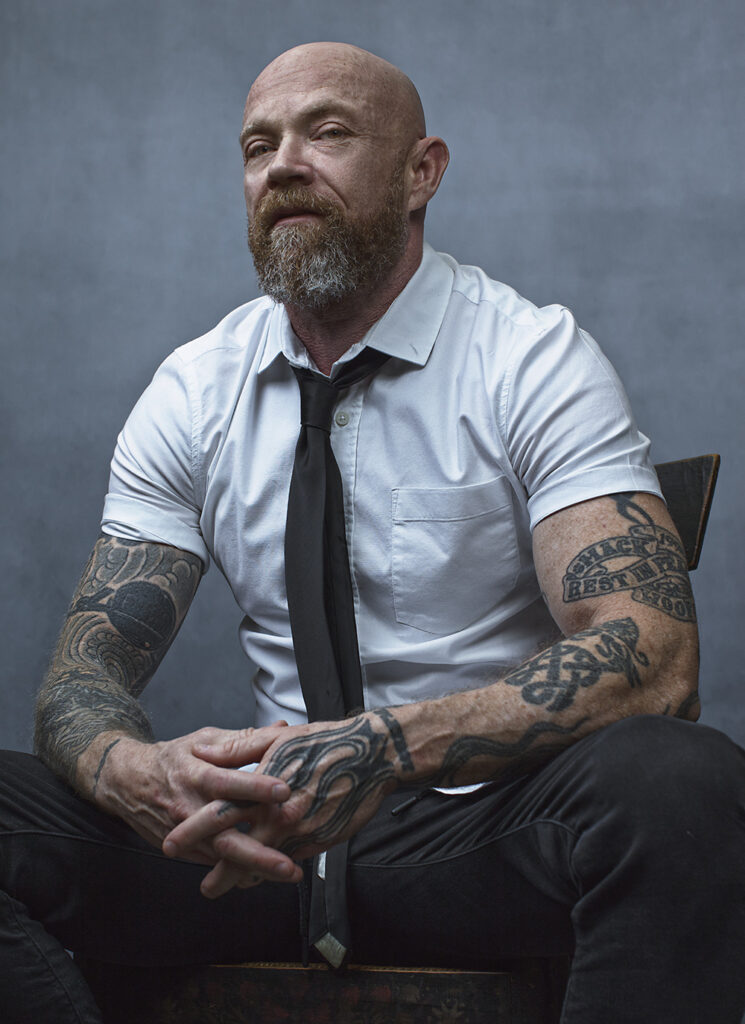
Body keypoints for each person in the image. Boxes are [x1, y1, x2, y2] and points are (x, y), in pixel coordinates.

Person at [2, 41, 744, 1023]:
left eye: (328, 132)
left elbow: (655, 655)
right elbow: (79, 680)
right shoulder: (193, 390)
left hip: (473, 835)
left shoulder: (529, 359)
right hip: (258, 848)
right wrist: (136, 773)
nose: (284, 165)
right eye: (258, 145)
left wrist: (385, 747)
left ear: (420, 171)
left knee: (681, 786)